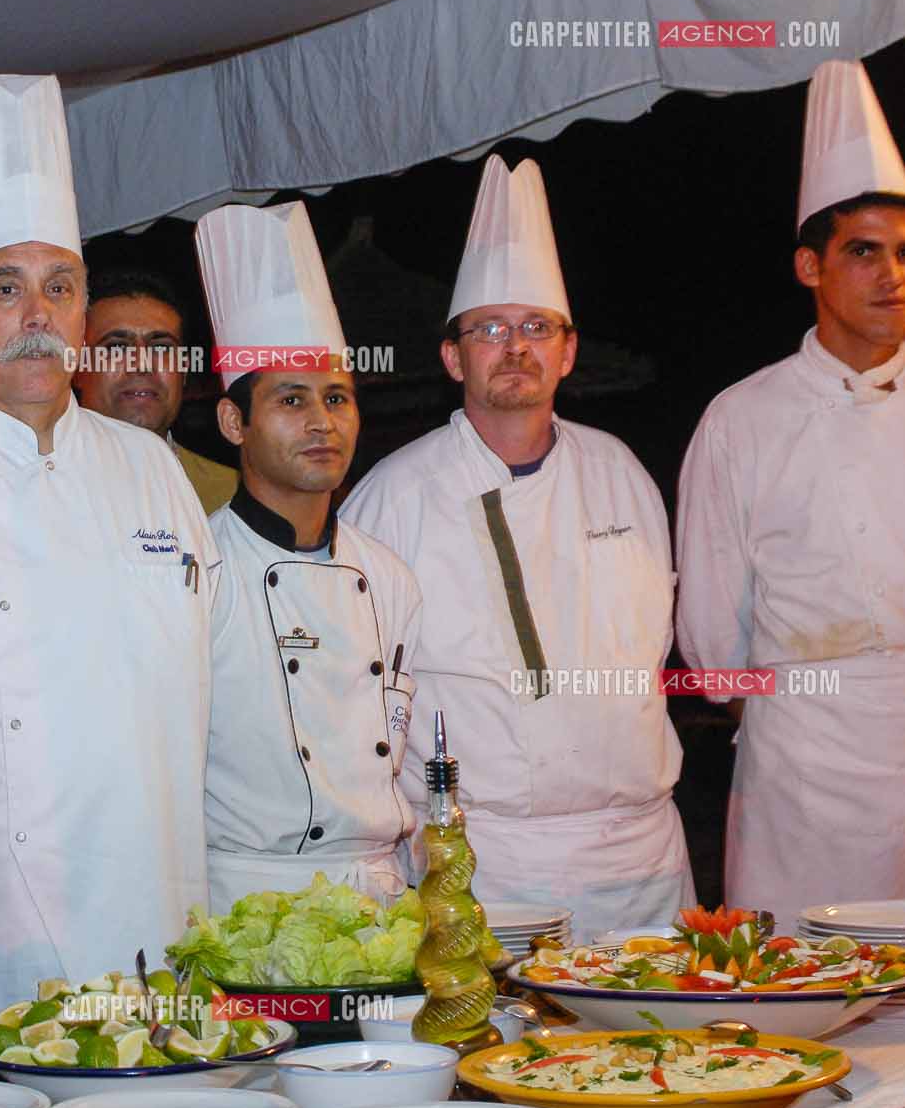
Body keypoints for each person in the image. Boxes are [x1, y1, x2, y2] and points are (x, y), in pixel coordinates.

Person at [0, 74, 232, 1037]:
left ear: (83, 316)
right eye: (5, 288)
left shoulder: (152, 470)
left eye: (60, 287)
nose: (37, 314)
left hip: (163, 940)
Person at [343, 155, 689, 933]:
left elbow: (662, 646)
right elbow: (356, 695)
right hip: (482, 861)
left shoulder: (622, 473)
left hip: (643, 859)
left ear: (568, 351)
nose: (516, 346)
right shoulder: (393, 497)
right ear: (453, 356)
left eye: (537, 327)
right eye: (490, 330)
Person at [676, 59, 905, 919]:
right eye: (864, 252)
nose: (892, 274)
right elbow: (711, 623)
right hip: (803, 759)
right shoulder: (742, 418)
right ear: (811, 266)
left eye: (904, 253)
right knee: (803, 974)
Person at [195, 202, 421, 910]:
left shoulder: (389, 577)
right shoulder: (198, 573)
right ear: (234, 420)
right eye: (291, 400)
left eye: (337, 398)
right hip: (244, 904)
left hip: (380, 897)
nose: (323, 422)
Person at [72, 267, 237, 513]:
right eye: (117, 347)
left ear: (184, 370)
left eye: (161, 348)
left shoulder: (231, 497)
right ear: (77, 369)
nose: (142, 364)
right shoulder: (41, 486)